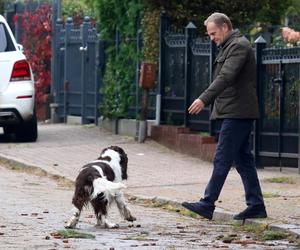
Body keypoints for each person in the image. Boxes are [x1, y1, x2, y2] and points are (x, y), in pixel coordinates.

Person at [181, 12, 267, 220]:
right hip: (234, 110)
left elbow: (226, 76)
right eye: (209, 34)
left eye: (213, 33)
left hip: (238, 112)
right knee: (243, 159)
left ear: (225, 27)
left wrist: (203, 99)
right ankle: (256, 205)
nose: (212, 38)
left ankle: (207, 203)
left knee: (222, 157)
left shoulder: (239, 45)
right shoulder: (230, 46)